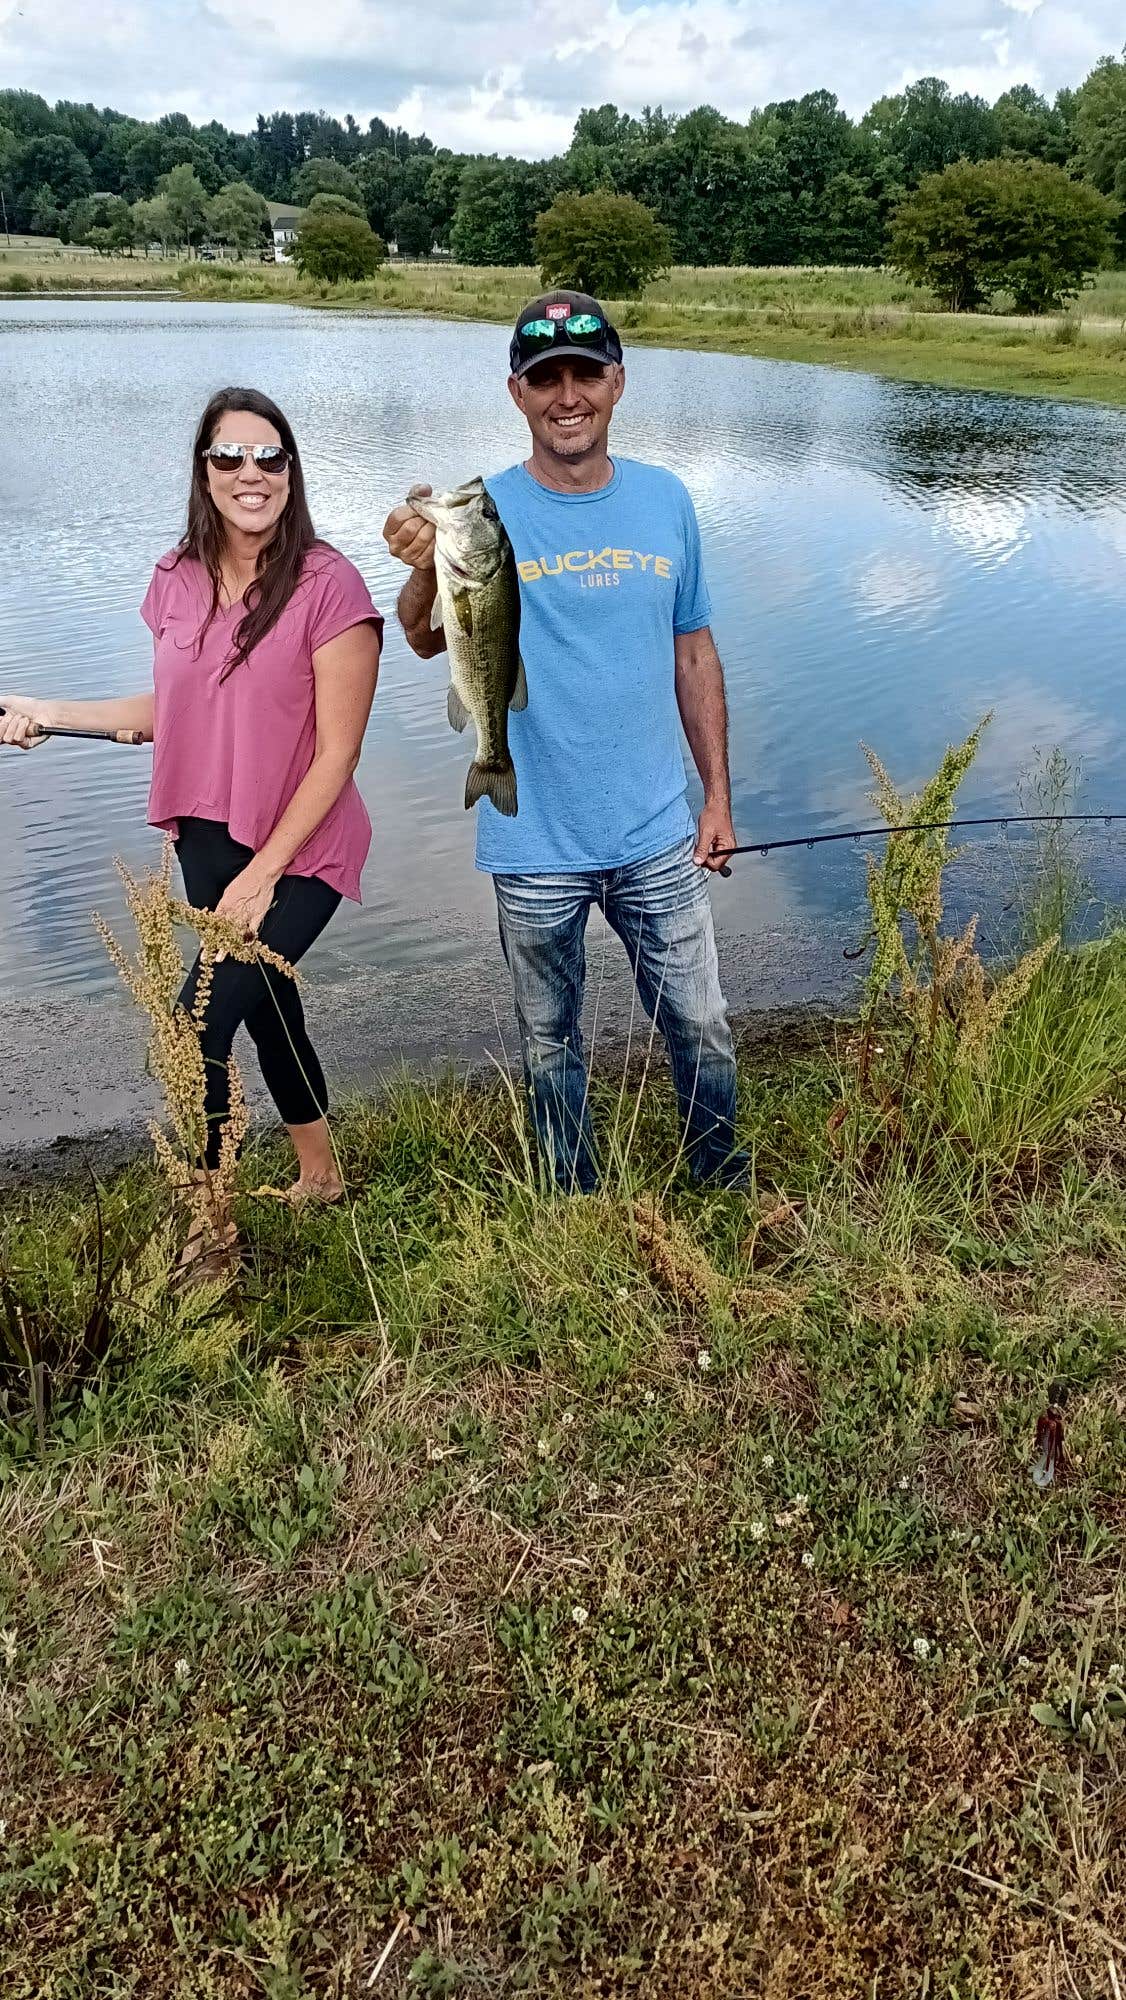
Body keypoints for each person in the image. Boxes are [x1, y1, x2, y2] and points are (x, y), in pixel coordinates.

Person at [2, 386, 382, 1265]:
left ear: (291, 470)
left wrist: (264, 874)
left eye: (269, 456)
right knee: (268, 1009)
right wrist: (49, 711)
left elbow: (339, 754)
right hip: (207, 839)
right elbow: (169, 709)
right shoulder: (176, 576)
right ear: (203, 471)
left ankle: (209, 1228)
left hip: (301, 851)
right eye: (229, 456)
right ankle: (321, 1176)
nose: (252, 473)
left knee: (195, 1024)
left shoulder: (330, 585)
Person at [383, 291, 747, 1193]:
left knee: (701, 1024)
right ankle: (572, 1193)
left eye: (587, 374)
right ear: (518, 394)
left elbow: (694, 654)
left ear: (618, 383)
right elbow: (425, 637)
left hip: (657, 831)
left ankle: (719, 1178)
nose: (568, 396)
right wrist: (422, 568)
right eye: (546, 380)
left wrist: (717, 797)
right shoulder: (484, 510)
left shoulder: (667, 500)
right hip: (532, 839)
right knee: (550, 1042)